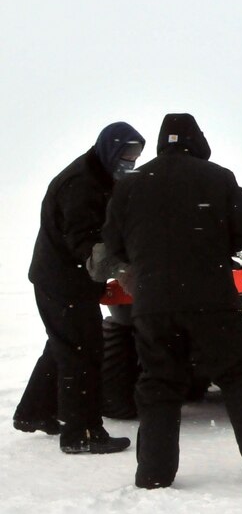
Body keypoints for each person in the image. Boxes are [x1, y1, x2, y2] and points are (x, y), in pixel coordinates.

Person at [101, 113, 242, 488]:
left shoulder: (130, 186)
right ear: (198, 140)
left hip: (153, 304)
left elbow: (114, 243)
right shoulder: (218, 177)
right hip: (212, 302)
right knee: (239, 378)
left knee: (158, 384)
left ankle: (154, 473)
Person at [14, 121, 145, 454]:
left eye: (135, 156)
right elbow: (83, 240)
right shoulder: (80, 184)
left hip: (65, 278)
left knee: (63, 345)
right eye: (126, 155)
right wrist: (121, 268)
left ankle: (35, 412)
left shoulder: (101, 176)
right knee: (82, 352)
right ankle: (82, 434)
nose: (129, 162)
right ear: (109, 148)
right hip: (63, 280)